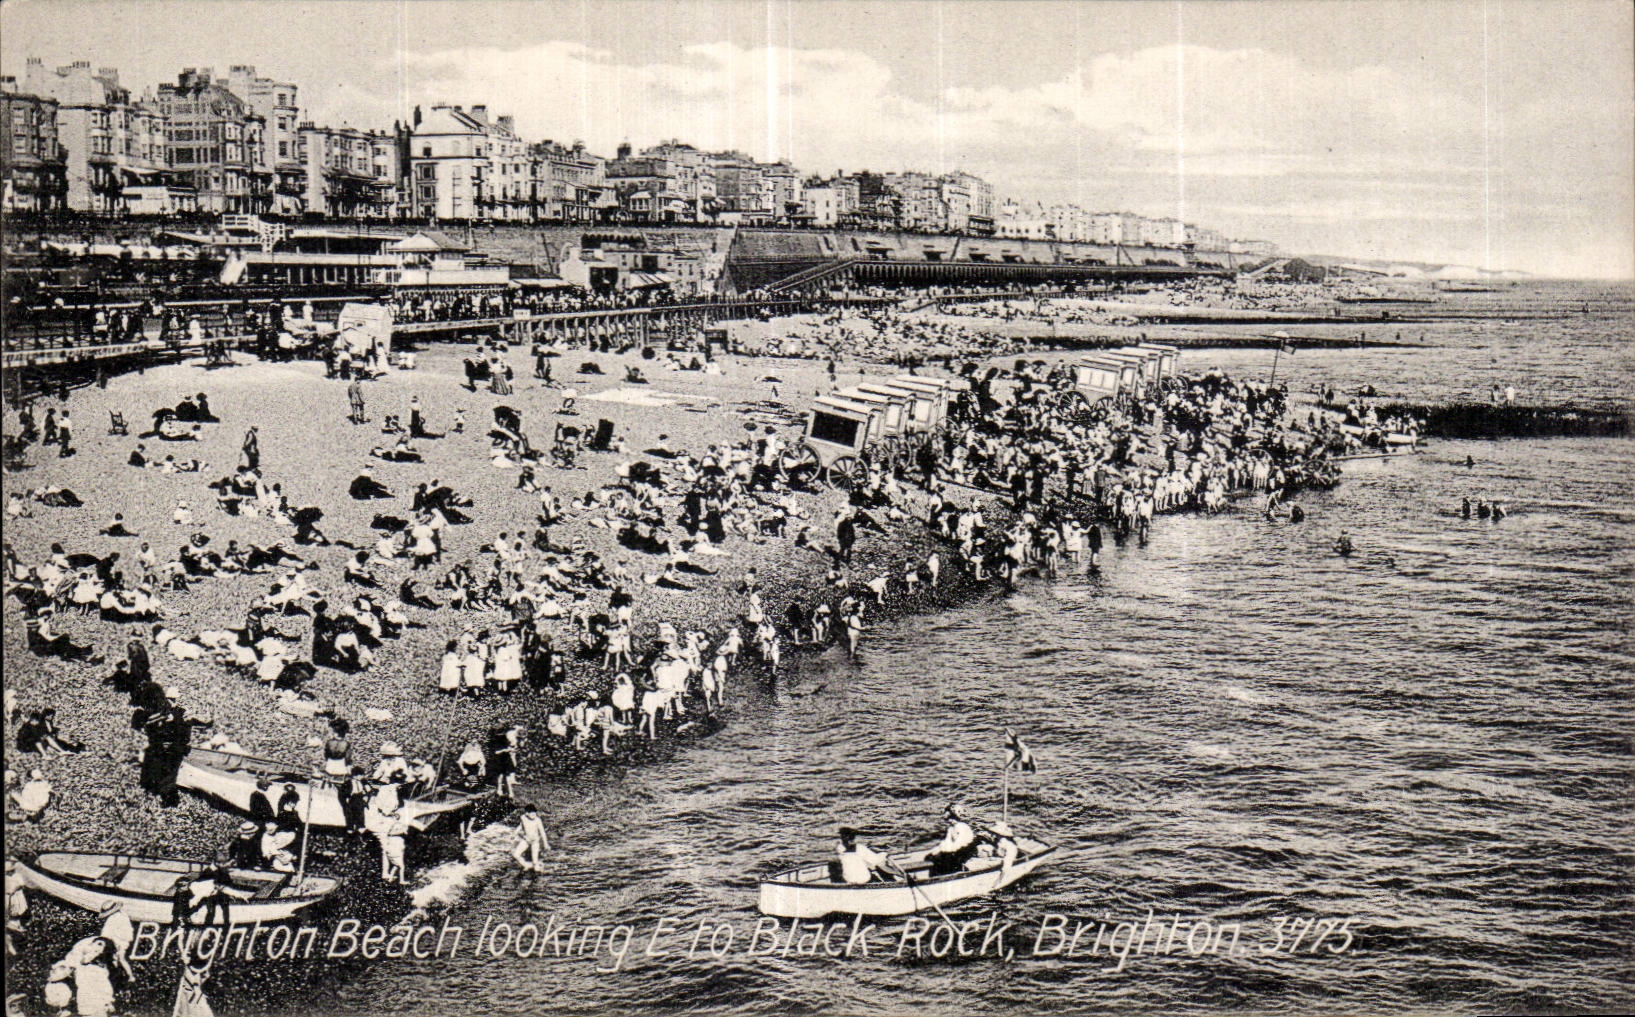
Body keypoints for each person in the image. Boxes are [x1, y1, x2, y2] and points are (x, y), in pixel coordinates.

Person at [924, 803, 978, 876]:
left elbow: (958, 845)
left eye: (951, 818)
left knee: (943, 860)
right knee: (930, 857)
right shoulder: (951, 828)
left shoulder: (961, 827)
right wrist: (937, 850)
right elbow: (947, 842)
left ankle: (953, 873)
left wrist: (943, 851)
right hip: (956, 850)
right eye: (949, 819)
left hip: (965, 851)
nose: (950, 821)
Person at [511, 803, 551, 873]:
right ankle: (526, 865)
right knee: (516, 855)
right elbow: (521, 826)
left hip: (535, 842)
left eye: (535, 813)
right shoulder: (523, 818)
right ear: (527, 814)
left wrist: (545, 844)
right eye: (532, 814)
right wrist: (515, 833)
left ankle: (538, 868)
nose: (534, 815)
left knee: (535, 863)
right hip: (526, 840)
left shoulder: (538, 820)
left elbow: (542, 832)